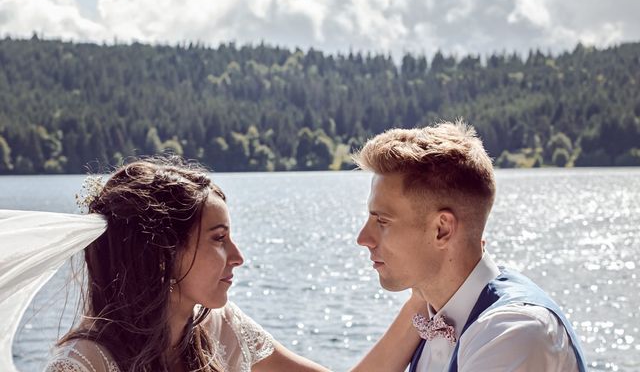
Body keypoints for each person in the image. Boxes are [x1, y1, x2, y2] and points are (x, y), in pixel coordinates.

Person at [39, 157, 424, 372]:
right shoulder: (83, 366)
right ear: (163, 254)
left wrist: (422, 297)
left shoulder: (217, 326)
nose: (238, 257)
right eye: (219, 239)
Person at [352, 121, 588, 372]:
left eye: (382, 221)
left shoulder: (514, 332)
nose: (363, 238)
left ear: (442, 229)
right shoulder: (435, 306)